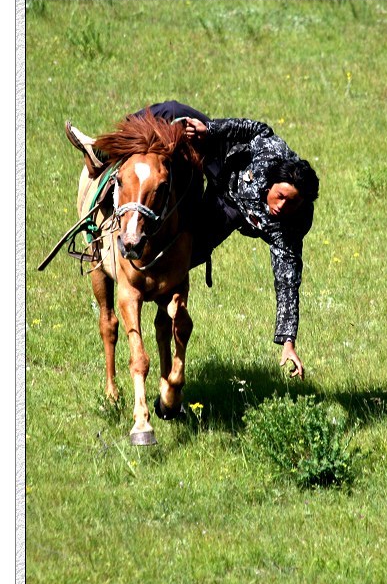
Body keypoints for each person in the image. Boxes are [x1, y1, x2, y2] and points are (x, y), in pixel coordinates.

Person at [65, 101, 319, 380]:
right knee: (175, 112)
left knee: (183, 256)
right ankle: (103, 150)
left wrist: (288, 342)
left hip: (229, 209)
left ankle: (165, 318)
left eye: (292, 203)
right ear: (271, 182)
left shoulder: (291, 225)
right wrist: (210, 130)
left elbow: (287, 280)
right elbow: (255, 129)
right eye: (280, 196)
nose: (283, 207)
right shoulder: (272, 152)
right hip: (220, 160)